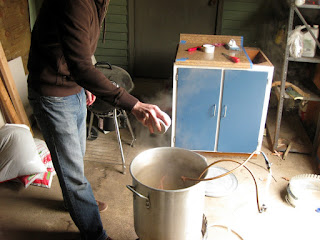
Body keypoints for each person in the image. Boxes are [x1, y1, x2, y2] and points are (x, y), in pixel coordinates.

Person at [27, 0, 171, 240]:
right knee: (71, 172)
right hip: (51, 93)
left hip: (73, 86)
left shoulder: (99, 2)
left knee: (75, 158)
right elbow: (81, 66)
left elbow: (81, 50)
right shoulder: (75, 3)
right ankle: (95, 235)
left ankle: (74, 200)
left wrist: (86, 82)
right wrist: (134, 104)